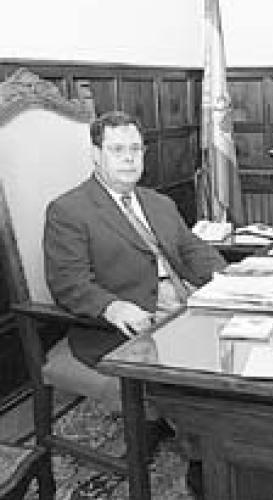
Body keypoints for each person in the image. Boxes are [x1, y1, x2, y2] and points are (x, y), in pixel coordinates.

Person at [43, 110, 225, 494]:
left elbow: (192, 250)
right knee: (202, 372)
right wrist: (112, 307)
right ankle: (206, 461)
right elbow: (68, 283)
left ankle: (246, 442)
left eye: (136, 149)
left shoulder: (159, 202)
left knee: (247, 345)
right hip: (125, 326)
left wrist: (228, 280)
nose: (129, 158)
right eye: (117, 150)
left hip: (185, 307)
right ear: (96, 155)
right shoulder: (68, 211)